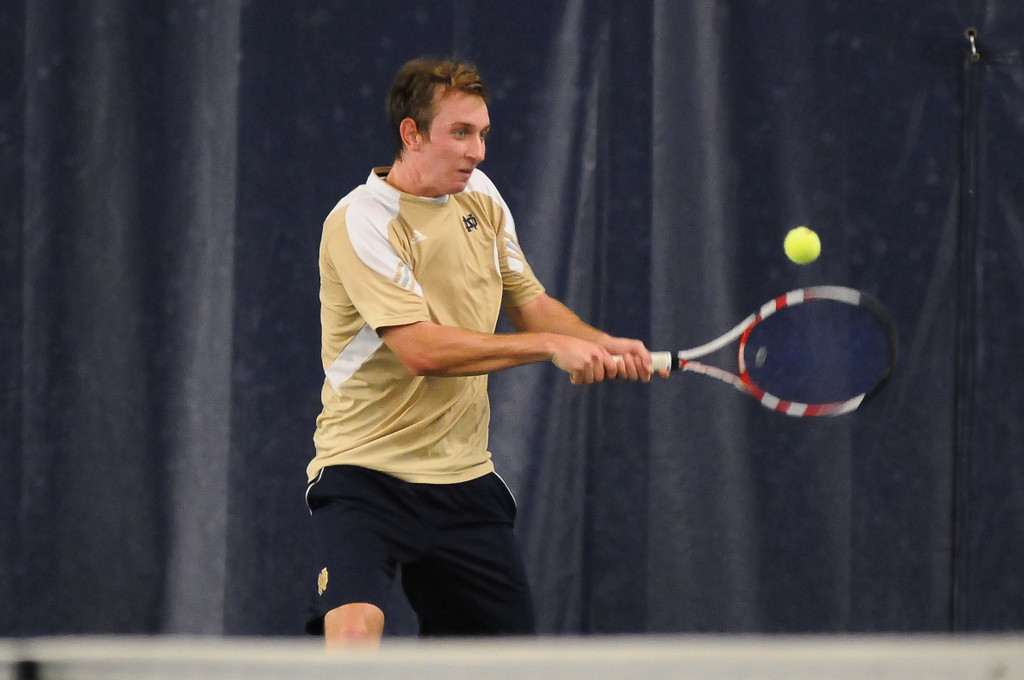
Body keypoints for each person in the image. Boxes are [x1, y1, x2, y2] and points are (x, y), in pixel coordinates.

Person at [306, 56, 659, 648]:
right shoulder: (360, 220)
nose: (478, 152)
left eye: (483, 134)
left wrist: (598, 343)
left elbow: (529, 301)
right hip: (364, 471)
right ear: (412, 134)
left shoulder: (481, 197)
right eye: (461, 133)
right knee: (354, 636)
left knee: (501, 662)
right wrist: (551, 347)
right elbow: (420, 349)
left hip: (463, 477)